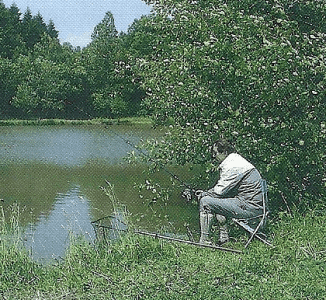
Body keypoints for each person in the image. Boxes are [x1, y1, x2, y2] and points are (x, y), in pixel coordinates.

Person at [197, 141, 264, 245]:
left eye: (215, 153)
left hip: (249, 208)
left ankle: (204, 241)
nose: (213, 156)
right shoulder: (237, 160)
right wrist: (208, 192)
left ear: (225, 152)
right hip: (255, 206)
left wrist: (204, 194)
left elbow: (220, 191)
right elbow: (223, 190)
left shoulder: (231, 165)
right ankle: (224, 238)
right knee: (217, 201)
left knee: (205, 202)